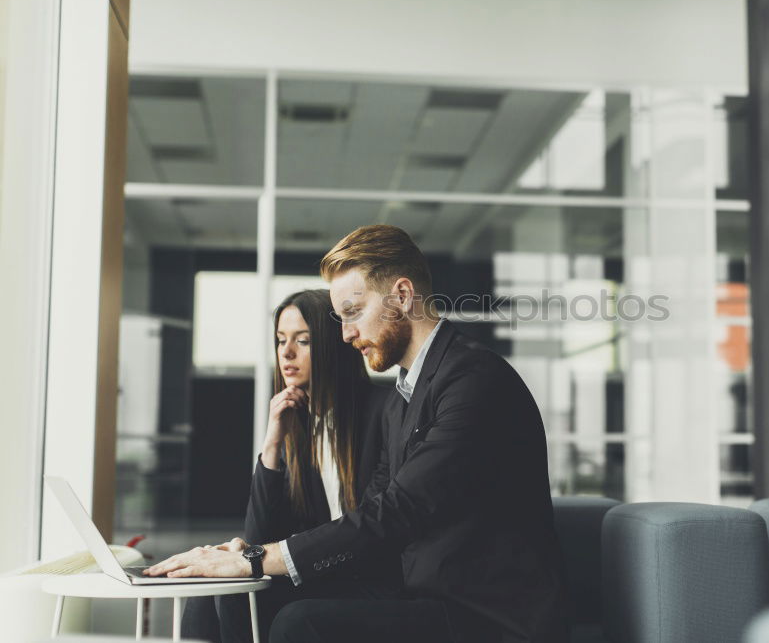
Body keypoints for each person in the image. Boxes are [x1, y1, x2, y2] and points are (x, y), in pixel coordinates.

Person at [149, 225, 569, 643]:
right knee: (222, 594)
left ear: (402, 296)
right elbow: (373, 508)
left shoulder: (473, 381)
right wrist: (245, 558)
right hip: (421, 594)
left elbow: (398, 509)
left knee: (299, 623)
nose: (346, 333)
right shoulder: (406, 396)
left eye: (353, 312)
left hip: (485, 615)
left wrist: (261, 558)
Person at [178, 289, 398, 643]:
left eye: (304, 341)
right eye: (281, 340)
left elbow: (372, 530)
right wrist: (273, 443)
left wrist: (258, 557)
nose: (287, 352)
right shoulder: (298, 423)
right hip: (321, 576)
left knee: (251, 603)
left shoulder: (383, 411)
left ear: (333, 345)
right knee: (210, 589)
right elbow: (261, 534)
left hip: (369, 581)